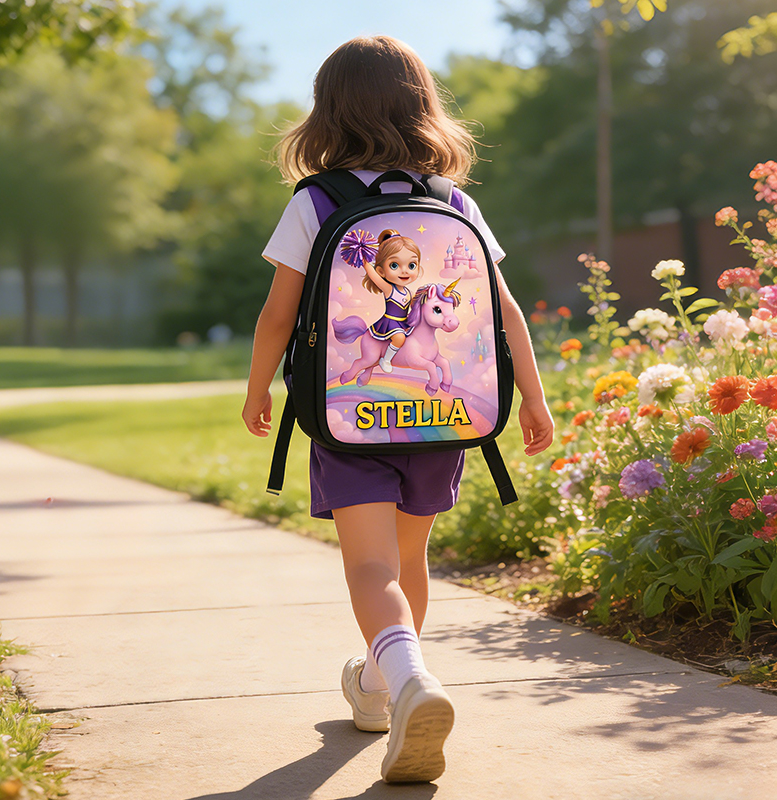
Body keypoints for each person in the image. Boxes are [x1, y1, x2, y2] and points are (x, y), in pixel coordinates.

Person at [242, 35, 554, 784]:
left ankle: (412, 683)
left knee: (371, 566)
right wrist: (534, 399)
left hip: (350, 419)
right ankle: (381, 692)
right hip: (445, 420)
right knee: (409, 561)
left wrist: (257, 388)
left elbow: (278, 316)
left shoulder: (316, 201)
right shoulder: (454, 203)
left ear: (328, 111)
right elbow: (504, 313)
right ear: (424, 107)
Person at [360, 228, 423, 373]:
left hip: (403, 321)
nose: (405, 271)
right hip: (390, 322)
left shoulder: (408, 292)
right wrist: (364, 261)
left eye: (411, 265)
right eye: (394, 265)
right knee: (399, 338)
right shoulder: (389, 289)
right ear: (381, 271)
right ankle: (386, 359)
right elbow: (373, 276)